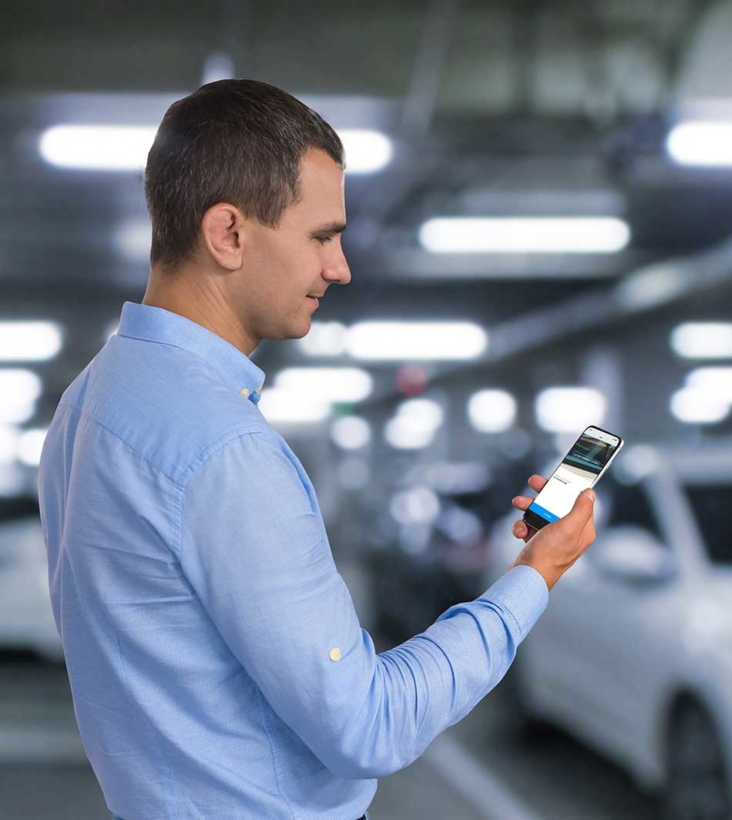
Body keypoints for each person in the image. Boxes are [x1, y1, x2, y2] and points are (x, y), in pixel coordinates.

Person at [36, 78, 596, 820]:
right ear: (228, 233)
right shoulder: (225, 449)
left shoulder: (88, 404)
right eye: (321, 237)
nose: (340, 268)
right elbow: (368, 725)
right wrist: (533, 576)